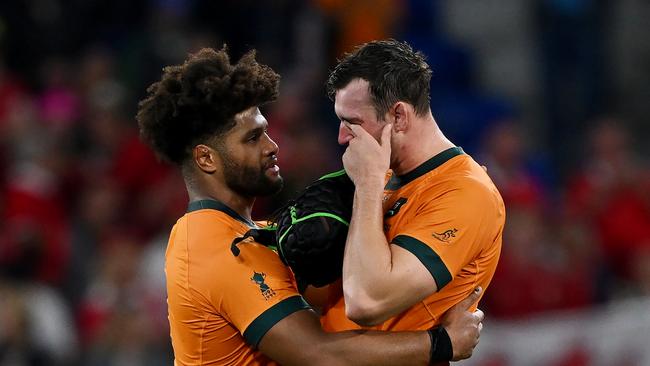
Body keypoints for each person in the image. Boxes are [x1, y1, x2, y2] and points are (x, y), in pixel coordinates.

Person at [136, 46, 484, 365]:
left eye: (266, 131)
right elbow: (319, 354)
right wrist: (441, 343)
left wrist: (454, 190)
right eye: (253, 138)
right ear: (206, 158)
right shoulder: (212, 246)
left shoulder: (249, 234)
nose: (272, 146)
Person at [320, 39, 505, 336]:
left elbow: (366, 303)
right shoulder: (381, 175)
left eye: (352, 123)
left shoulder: (467, 193)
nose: (342, 137)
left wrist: (367, 186)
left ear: (399, 116)